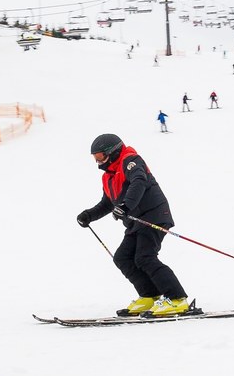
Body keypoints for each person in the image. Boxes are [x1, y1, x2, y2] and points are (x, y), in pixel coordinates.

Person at [75, 134, 191, 317]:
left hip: (154, 215)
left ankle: (177, 299)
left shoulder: (130, 160)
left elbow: (139, 181)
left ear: (112, 152)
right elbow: (107, 203)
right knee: (123, 257)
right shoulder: (108, 177)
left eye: (99, 156)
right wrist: (89, 215)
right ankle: (150, 296)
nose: (97, 161)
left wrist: (125, 206)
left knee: (145, 257)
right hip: (136, 221)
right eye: (95, 157)